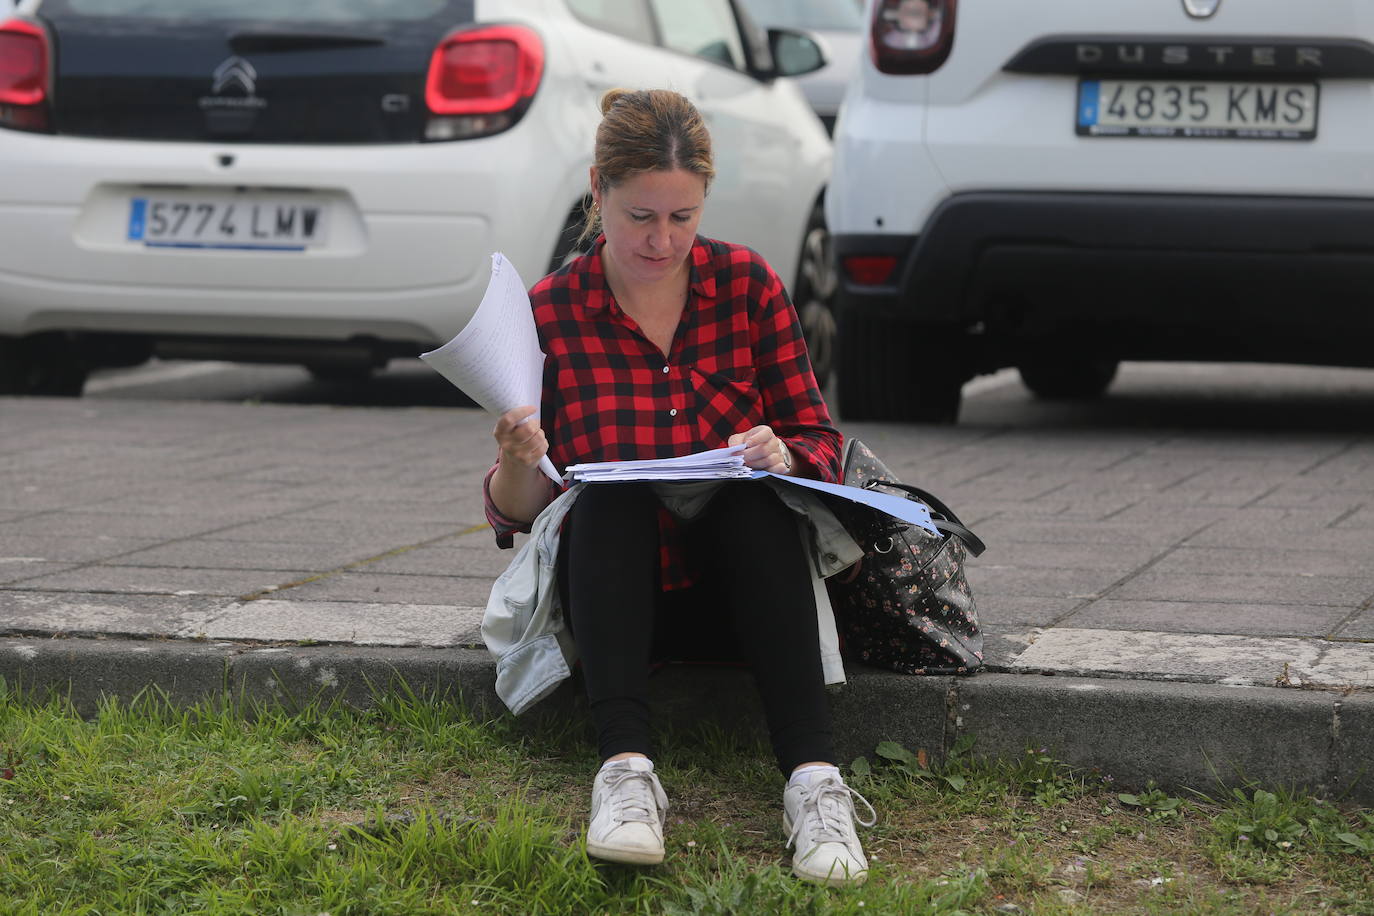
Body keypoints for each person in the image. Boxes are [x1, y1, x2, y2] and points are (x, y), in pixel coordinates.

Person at [483, 88, 873, 886]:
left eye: (683, 217)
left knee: (749, 500)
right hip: (614, 603)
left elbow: (821, 440)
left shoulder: (747, 285)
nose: (662, 241)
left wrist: (781, 452)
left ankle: (815, 783)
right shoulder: (550, 313)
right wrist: (520, 456)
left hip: (749, 597)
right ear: (598, 191)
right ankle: (625, 776)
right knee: (610, 498)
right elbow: (517, 512)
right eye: (640, 217)